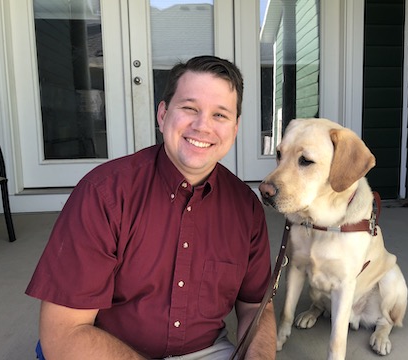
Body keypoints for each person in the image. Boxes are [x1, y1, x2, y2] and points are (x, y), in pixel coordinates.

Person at [26, 55, 277, 359]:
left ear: (234, 129)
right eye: (189, 108)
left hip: (205, 351)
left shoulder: (245, 209)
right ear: (162, 115)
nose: (202, 126)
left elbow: (255, 307)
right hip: (106, 349)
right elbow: (64, 334)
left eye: (220, 115)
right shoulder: (103, 194)